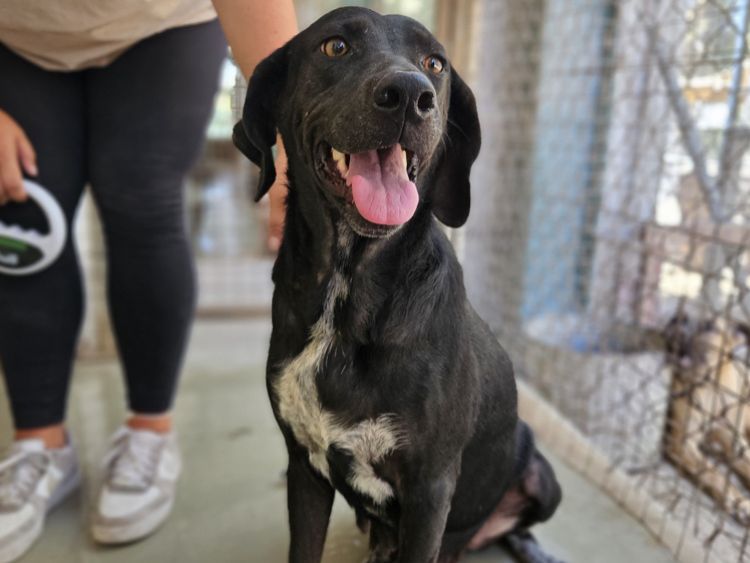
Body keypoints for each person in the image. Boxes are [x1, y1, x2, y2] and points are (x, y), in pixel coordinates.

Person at [0, 1, 296, 560]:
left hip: (160, 24)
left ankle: (148, 432)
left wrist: (287, 139)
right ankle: (40, 445)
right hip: (17, 37)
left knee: (139, 195)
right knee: (19, 212)